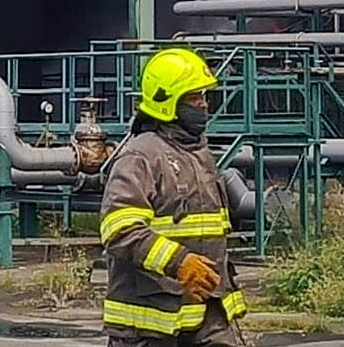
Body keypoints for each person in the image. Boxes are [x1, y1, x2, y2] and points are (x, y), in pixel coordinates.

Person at [100, 47, 243, 343]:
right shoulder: (141, 156)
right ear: (168, 102)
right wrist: (179, 262)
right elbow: (120, 229)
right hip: (151, 321)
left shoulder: (200, 154)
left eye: (203, 96)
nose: (203, 105)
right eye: (194, 98)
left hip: (208, 315)